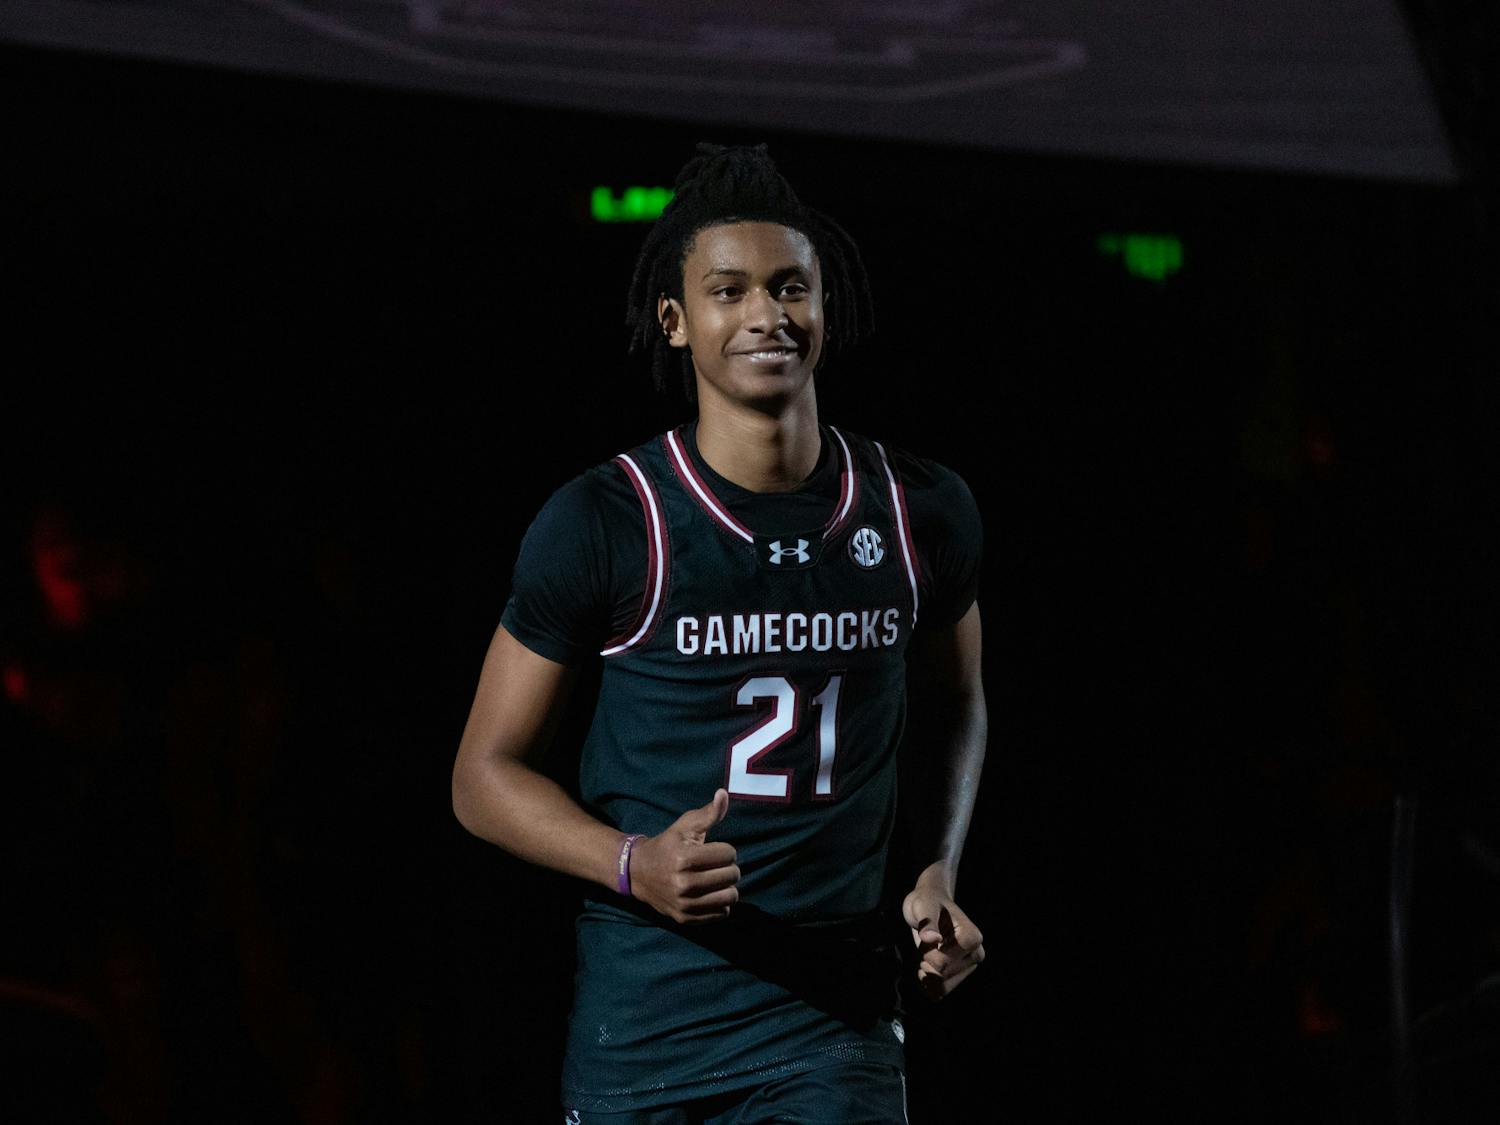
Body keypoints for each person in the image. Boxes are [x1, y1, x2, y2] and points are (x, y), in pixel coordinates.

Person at [452, 143, 987, 1123]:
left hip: (837, 1024)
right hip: (649, 1032)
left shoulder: (921, 512)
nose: (765, 316)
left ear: (828, 306)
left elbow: (958, 704)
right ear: (676, 320)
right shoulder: (610, 522)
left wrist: (935, 867)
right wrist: (630, 862)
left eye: (791, 287)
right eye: (729, 290)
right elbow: (481, 777)